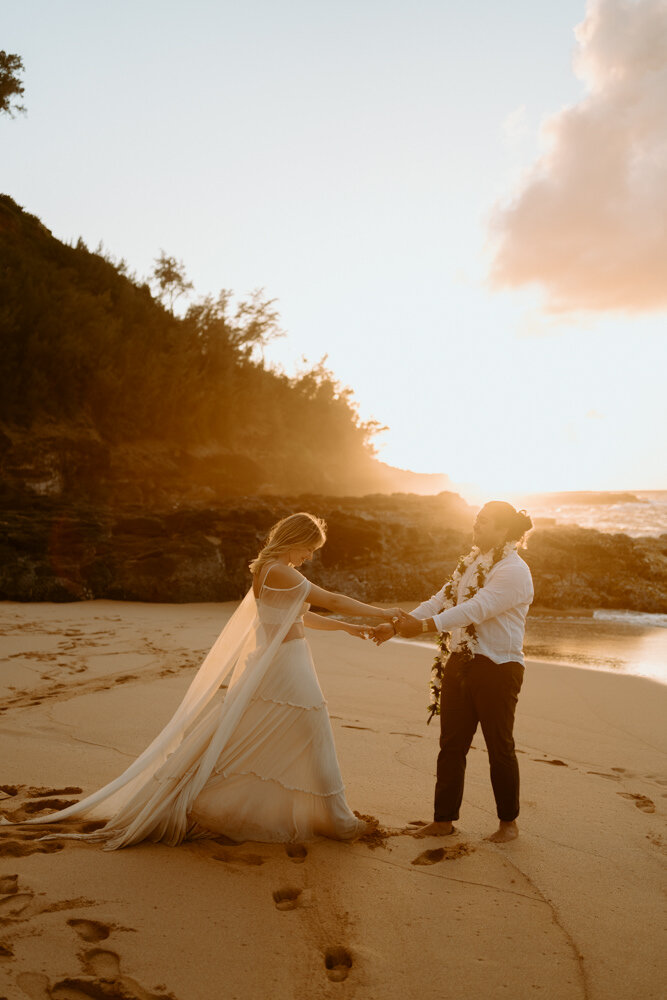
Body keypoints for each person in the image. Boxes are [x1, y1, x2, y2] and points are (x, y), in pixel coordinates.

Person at [2, 513, 400, 849]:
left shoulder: (274, 572)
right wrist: (387, 611)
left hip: (286, 661)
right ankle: (335, 819)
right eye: (308, 548)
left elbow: (301, 616)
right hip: (286, 666)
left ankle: (316, 813)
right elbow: (331, 598)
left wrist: (348, 629)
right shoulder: (278, 570)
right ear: (293, 540)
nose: (309, 557)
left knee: (280, 735)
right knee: (311, 731)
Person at [371, 501, 534, 843]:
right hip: (461, 661)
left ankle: (508, 824)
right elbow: (441, 599)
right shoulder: (472, 562)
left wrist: (426, 626)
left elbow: (478, 608)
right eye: (476, 519)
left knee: (499, 746)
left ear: (503, 530)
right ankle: (443, 820)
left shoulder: (514, 570)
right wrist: (399, 626)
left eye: (484, 521)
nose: (476, 525)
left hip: (498, 667)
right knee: (451, 745)